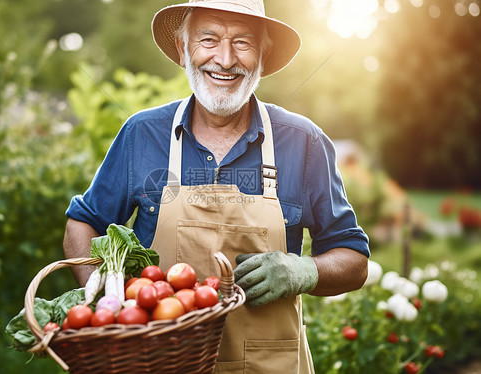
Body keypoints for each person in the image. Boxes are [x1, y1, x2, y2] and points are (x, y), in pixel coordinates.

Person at [63, 0, 370, 372]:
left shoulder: (304, 143)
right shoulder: (142, 134)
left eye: (242, 42)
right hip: (161, 362)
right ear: (182, 49)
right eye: (208, 39)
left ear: (263, 54)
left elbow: (353, 259)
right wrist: (102, 297)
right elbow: (84, 222)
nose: (225, 60)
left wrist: (302, 271)